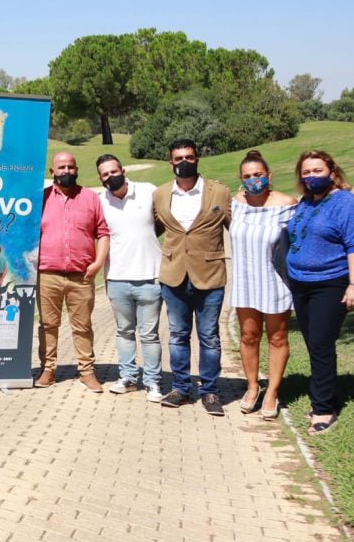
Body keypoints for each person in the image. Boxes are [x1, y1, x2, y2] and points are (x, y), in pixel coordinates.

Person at [285, 150, 354, 435]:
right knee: (313, 344)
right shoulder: (306, 202)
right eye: (306, 172)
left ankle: (323, 409)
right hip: (300, 283)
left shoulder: (347, 203)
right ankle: (324, 394)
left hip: (330, 283)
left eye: (317, 171)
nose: (311, 176)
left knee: (321, 343)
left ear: (332, 172)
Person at [153, 138, 232, 415]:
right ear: (170, 162)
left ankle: (210, 391)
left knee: (209, 337)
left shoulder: (219, 192)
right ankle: (181, 389)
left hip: (209, 275)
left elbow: (237, 228)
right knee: (177, 335)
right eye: (178, 158)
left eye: (189, 157)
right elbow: (150, 230)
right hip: (173, 275)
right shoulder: (161, 194)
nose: (183, 162)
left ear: (197, 159)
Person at [228, 150, 297, 419]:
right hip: (245, 281)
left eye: (258, 174)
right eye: (247, 176)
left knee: (277, 338)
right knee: (248, 336)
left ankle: (273, 392)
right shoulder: (235, 204)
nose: (253, 180)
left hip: (275, 282)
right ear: (240, 179)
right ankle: (253, 386)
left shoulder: (287, 204)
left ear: (269, 175)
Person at [35, 151, 109, 392]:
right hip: (48, 274)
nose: (66, 171)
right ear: (52, 171)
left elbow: (102, 233)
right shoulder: (41, 199)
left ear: (76, 170)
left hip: (82, 275)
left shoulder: (90, 198)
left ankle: (87, 372)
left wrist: (98, 263)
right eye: (61, 167)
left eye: (70, 167)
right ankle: (48, 369)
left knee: (83, 326)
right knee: (48, 325)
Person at [96, 154, 164, 402]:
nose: (111, 177)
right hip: (116, 277)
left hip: (150, 276)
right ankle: (128, 377)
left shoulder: (147, 191)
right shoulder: (100, 201)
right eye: (105, 174)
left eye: (114, 171)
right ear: (101, 179)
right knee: (124, 331)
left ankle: (153, 382)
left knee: (149, 334)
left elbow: (162, 221)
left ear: (123, 170)